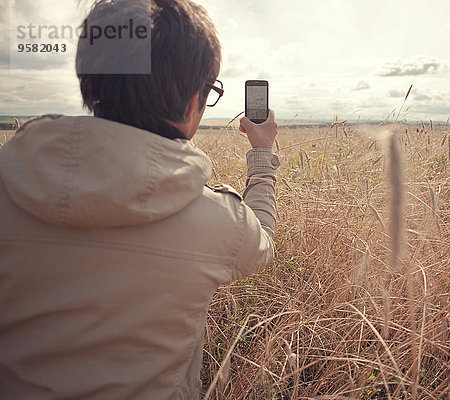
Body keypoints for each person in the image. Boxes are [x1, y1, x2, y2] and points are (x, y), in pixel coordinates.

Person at [0, 0, 280, 398]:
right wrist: (263, 153)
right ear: (191, 102)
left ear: (89, 85)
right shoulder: (219, 222)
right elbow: (263, 242)